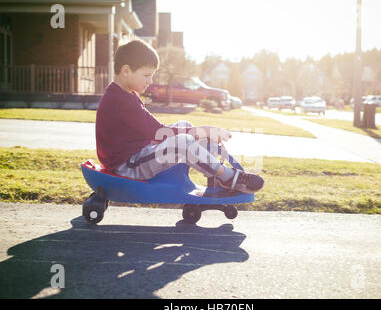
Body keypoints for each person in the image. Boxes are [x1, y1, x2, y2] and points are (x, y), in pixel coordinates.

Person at [95, 39, 264, 194]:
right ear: (126, 70)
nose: (150, 81)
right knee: (183, 141)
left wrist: (201, 133)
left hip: (136, 155)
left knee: (185, 126)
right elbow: (157, 132)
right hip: (127, 166)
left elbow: (153, 131)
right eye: (146, 75)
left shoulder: (123, 94)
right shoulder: (119, 99)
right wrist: (203, 131)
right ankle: (227, 176)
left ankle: (216, 177)